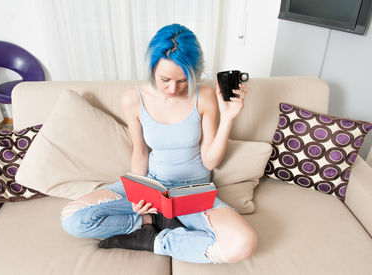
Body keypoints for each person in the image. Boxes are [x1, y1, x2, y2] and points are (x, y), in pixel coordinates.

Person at [60, 23, 257, 264]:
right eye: (164, 79)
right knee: (72, 218)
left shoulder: (204, 96)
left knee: (243, 243)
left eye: (183, 81)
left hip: (193, 192)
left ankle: (155, 241)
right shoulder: (133, 99)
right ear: (152, 69)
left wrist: (228, 118)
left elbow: (210, 160)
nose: (173, 89)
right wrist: (136, 198)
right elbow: (140, 151)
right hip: (151, 185)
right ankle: (149, 221)